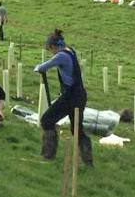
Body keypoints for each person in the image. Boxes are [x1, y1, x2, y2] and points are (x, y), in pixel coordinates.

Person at [33, 32, 92, 166]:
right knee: (77, 129)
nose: (51, 53)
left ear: (53, 46)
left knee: (46, 120)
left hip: (70, 97)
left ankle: (48, 155)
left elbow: (42, 67)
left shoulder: (61, 56)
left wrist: (37, 68)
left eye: (50, 49)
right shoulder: (70, 51)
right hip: (80, 95)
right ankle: (88, 160)